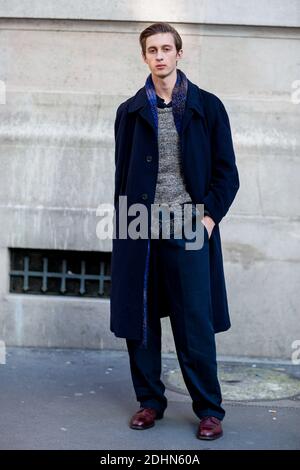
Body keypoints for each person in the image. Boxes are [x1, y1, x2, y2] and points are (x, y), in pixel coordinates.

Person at [110, 22, 240, 440]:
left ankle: (208, 409)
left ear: (179, 55)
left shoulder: (208, 107)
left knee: (194, 320)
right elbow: (121, 175)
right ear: (144, 57)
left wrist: (207, 220)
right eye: (153, 50)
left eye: (167, 48)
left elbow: (227, 174)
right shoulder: (129, 112)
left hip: (189, 225)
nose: (160, 56)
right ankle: (149, 402)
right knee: (141, 320)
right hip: (139, 224)